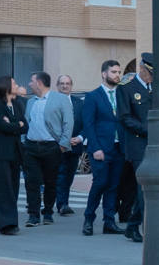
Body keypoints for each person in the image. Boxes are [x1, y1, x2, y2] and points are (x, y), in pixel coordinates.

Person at [22, 72, 73, 227]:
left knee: (51, 181)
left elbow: (68, 122)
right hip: (31, 146)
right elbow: (26, 122)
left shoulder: (60, 99)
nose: (29, 84)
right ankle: (33, 215)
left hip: (51, 147)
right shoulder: (31, 102)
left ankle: (48, 212)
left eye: (31, 81)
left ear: (39, 83)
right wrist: (24, 141)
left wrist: (63, 144)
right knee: (31, 182)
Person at [81, 59, 125, 236]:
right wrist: (95, 148)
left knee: (113, 186)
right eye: (114, 72)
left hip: (119, 147)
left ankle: (109, 222)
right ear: (104, 74)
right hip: (101, 148)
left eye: (119, 72)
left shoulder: (122, 94)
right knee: (100, 183)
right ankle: (88, 219)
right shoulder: (93, 96)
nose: (117, 75)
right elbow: (88, 124)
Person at [116, 53, 155, 243]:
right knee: (143, 187)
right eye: (150, 73)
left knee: (149, 187)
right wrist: (146, 130)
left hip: (155, 144)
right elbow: (124, 118)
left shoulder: (155, 88)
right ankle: (142, 227)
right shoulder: (126, 88)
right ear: (142, 68)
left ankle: (132, 225)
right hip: (137, 144)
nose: (152, 77)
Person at [0, 75, 27, 236]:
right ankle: (8, 224)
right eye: (14, 83)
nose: (17, 85)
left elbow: (25, 126)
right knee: (3, 188)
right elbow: (3, 126)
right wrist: (16, 124)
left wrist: (13, 124)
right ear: (6, 86)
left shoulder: (16, 104)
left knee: (13, 188)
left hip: (15, 153)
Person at [54, 75, 86, 216]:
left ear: (71, 86)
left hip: (75, 145)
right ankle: (62, 204)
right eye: (62, 83)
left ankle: (63, 202)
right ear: (57, 86)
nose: (65, 86)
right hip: (57, 146)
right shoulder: (52, 102)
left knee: (69, 176)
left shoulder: (79, 103)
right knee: (60, 175)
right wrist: (62, 139)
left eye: (67, 83)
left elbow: (86, 123)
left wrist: (79, 138)